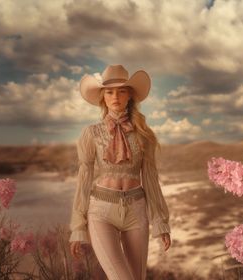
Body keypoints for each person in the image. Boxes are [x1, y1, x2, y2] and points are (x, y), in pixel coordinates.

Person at [69, 64, 171, 280]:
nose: (115, 96)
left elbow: (151, 180)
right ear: (103, 97)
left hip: (136, 211)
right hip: (101, 212)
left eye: (121, 91)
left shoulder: (144, 134)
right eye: (109, 91)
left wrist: (160, 221)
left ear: (129, 96)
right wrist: (78, 226)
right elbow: (84, 180)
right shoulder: (91, 133)